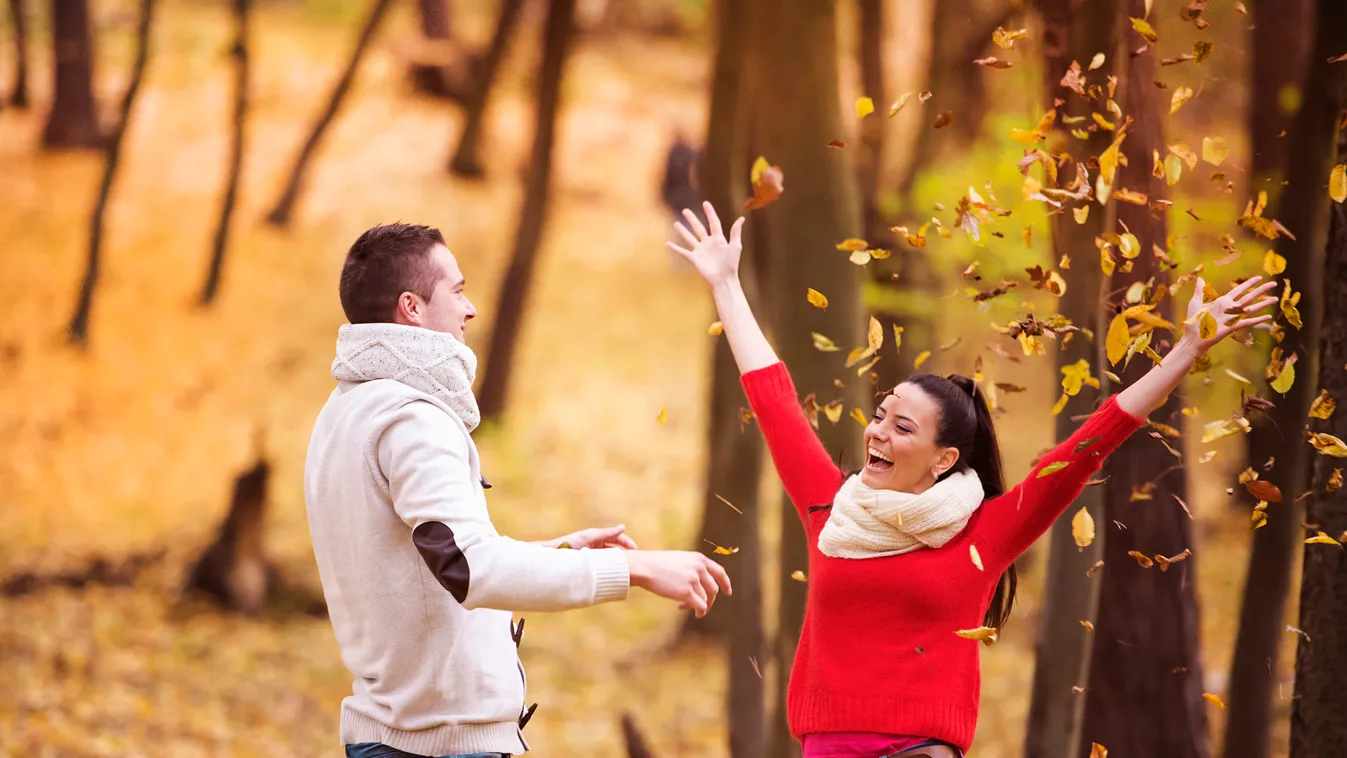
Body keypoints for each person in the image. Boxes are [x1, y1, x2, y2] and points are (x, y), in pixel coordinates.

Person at [666, 201, 1277, 758]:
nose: (877, 433)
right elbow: (774, 399)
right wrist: (725, 283)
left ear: (942, 459)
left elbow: (1085, 449)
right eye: (880, 416)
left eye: (902, 427)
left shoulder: (983, 533)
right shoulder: (832, 511)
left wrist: (1184, 354)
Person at [304, 223, 732, 758]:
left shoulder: (344, 412)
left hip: (395, 739)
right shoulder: (412, 419)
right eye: (457, 291)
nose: (471, 308)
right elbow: (469, 570)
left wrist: (555, 553)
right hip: (439, 748)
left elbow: (429, 565)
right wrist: (638, 570)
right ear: (411, 308)